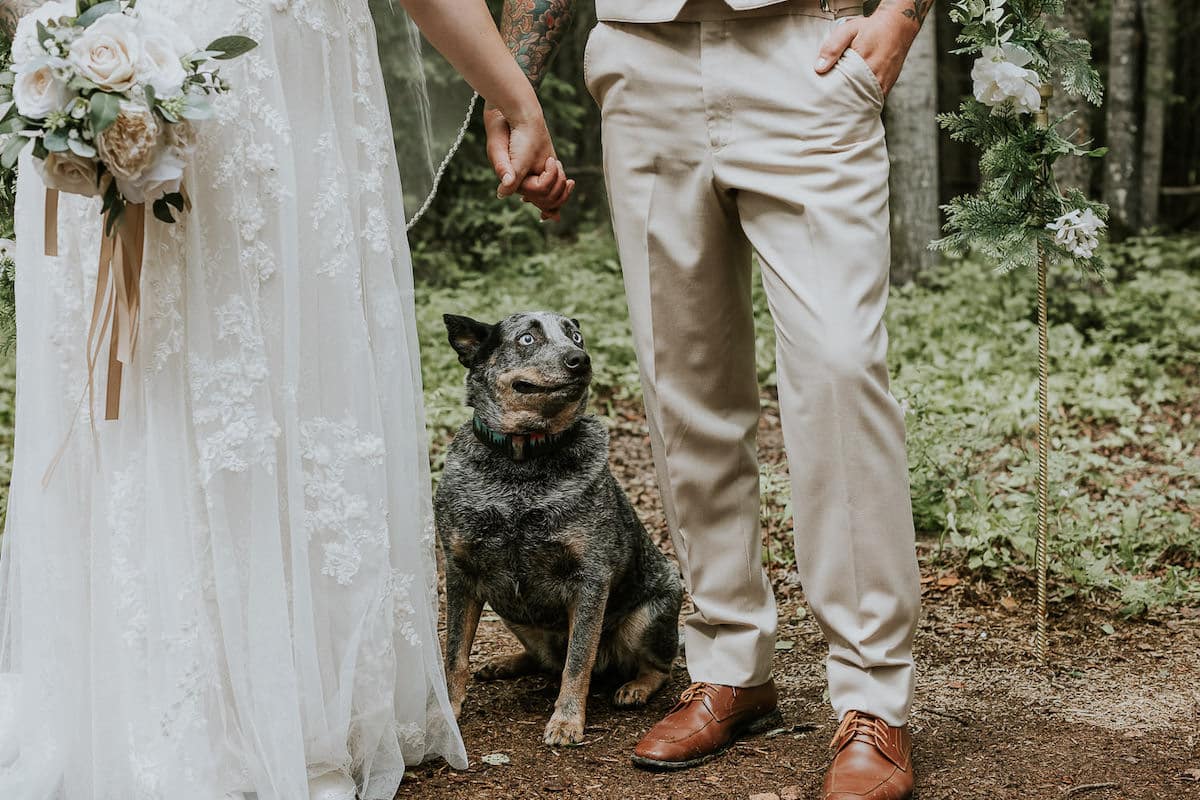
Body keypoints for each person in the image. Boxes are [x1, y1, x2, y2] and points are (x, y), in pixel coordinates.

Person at [0, 1, 570, 798]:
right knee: (185, 369)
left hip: (278, 88)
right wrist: (72, 56)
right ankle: (181, 700)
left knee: (259, 370)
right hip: (181, 71)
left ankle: (249, 695)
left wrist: (515, 94)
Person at [487, 0, 930, 797]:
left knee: (841, 367)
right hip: (642, 60)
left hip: (811, 49)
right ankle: (729, 666)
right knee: (683, 381)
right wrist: (512, 78)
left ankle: (871, 698)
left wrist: (899, 14)